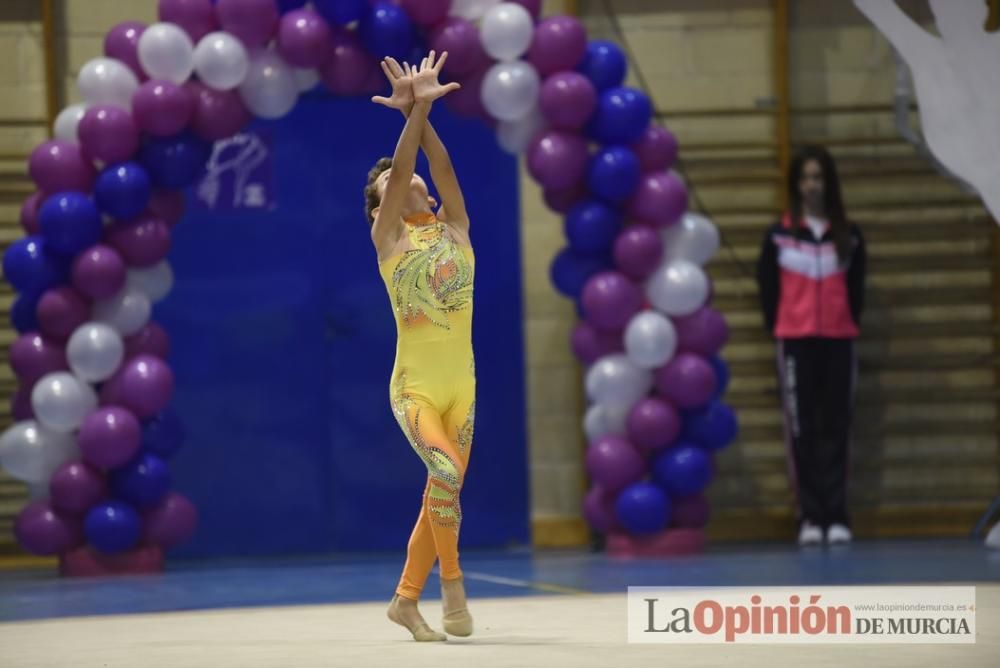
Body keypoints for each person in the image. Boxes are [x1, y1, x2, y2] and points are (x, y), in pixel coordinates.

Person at [364, 52, 475, 641]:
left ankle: (406, 601)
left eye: (408, 177)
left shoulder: (455, 225)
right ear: (381, 209)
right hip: (415, 389)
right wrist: (412, 118)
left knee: (444, 486)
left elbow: (440, 163)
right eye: (390, 183)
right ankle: (452, 587)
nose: (405, 179)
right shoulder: (390, 241)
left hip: (464, 389)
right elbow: (407, 159)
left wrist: (423, 112)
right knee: (446, 473)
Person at [756, 145, 867, 547]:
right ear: (796, 185)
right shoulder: (780, 236)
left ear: (829, 183)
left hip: (839, 341)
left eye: (818, 178)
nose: (812, 186)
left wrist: (845, 321)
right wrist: (781, 327)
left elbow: (857, 291)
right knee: (801, 431)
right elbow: (767, 289)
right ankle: (810, 516)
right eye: (805, 178)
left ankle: (836, 514)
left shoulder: (848, 236)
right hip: (795, 343)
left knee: (838, 427)